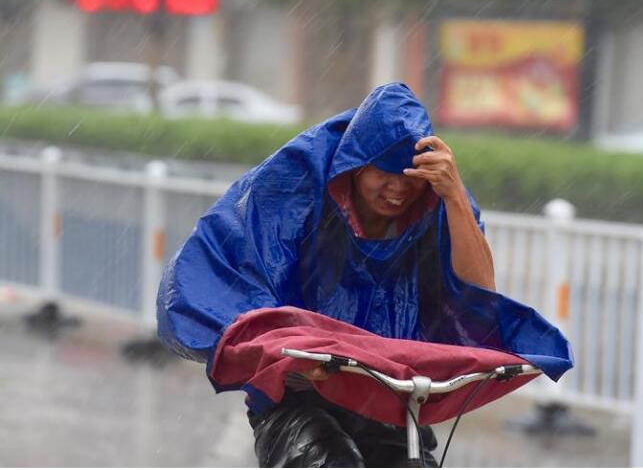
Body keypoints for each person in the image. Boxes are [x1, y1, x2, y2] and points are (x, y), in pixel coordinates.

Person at [157, 83, 573, 467]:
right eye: (381, 173)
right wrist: (279, 354)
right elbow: (228, 270)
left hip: (389, 399)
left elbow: (481, 301)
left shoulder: (440, 202)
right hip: (299, 396)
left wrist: (455, 196)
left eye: (408, 176)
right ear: (353, 166)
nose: (397, 189)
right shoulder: (297, 184)